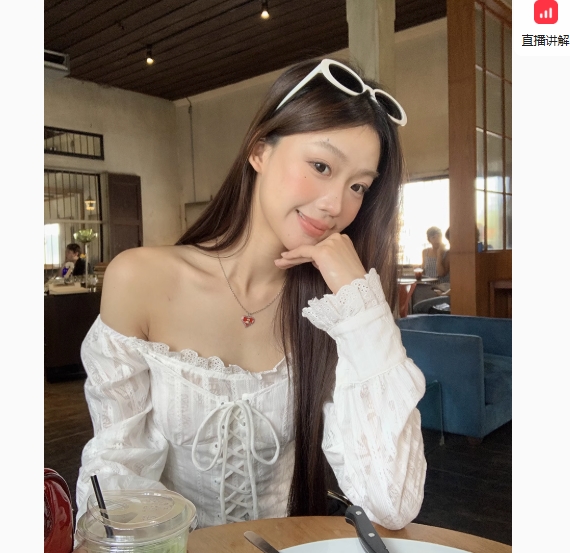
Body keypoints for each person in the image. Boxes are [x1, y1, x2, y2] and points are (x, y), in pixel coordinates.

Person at [74, 57, 427, 542]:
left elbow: (392, 500)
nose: (335, 205)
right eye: (320, 166)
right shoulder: (140, 279)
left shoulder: (335, 310)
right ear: (259, 151)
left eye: (358, 186)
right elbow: (117, 473)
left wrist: (361, 304)